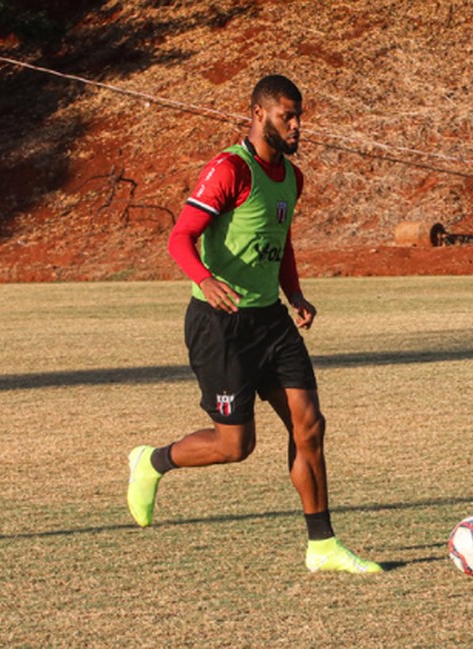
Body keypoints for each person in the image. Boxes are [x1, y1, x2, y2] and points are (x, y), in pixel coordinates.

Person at [126, 75, 381, 574]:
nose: (297, 125)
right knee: (235, 445)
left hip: (271, 321)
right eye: (288, 115)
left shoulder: (291, 176)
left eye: (299, 115)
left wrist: (296, 294)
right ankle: (151, 462)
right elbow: (181, 238)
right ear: (258, 113)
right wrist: (206, 279)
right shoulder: (229, 169)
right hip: (219, 324)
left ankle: (322, 545)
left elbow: (279, 240)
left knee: (309, 425)